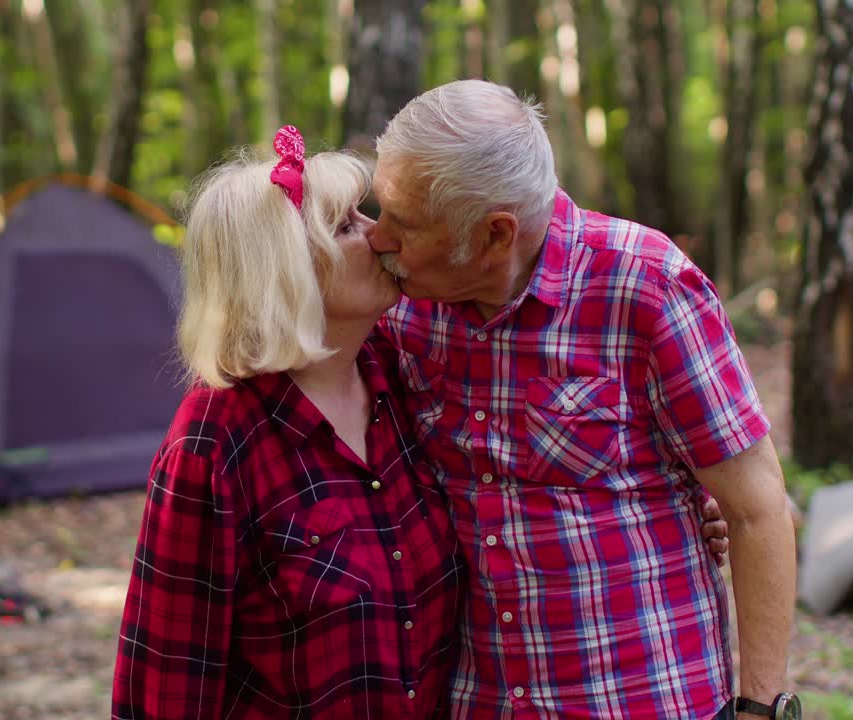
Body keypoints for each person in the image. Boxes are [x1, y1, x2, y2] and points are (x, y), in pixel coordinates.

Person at [368, 80, 798, 720]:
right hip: (475, 699)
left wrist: (763, 707)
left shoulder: (645, 287)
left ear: (494, 235)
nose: (380, 238)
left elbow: (758, 506)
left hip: (640, 697)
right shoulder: (404, 310)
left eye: (403, 225)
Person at [111, 127, 466, 719]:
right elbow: (165, 688)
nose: (379, 233)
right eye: (348, 225)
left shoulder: (400, 376)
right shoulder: (213, 446)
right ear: (288, 270)